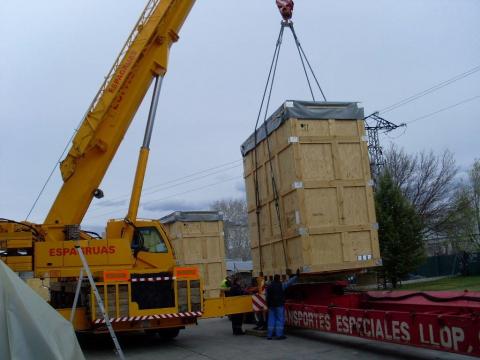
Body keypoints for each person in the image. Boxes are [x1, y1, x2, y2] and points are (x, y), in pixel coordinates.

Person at [266, 270, 298, 340]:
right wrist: (296, 276)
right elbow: (289, 283)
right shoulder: (281, 285)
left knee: (271, 319)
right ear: (279, 279)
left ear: (274, 279)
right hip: (279, 305)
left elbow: (267, 297)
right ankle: (279, 335)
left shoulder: (269, 286)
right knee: (279, 319)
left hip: (271, 305)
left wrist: (268, 305)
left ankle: (269, 335)